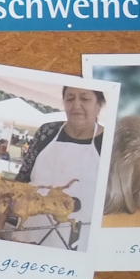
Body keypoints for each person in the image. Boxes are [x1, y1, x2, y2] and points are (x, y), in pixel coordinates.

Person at [8, 85, 105, 244]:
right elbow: (22, 180)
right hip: (29, 228)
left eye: (85, 98)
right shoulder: (47, 132)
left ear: (99, 104)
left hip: (77, 237)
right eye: (70, 99)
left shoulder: (109, 143)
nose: (76, 105)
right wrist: (1, 218)